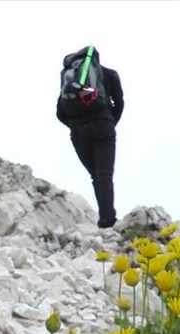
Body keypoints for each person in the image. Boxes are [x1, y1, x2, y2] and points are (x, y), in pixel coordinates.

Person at [56, 47, 124, 229]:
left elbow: (60, 112)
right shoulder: (109, 74)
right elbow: (120, 103)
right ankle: (107, 220)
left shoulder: (67, 78)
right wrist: (109, 121)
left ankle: (106, 218)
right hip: (103, 126)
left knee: (96, 175)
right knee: (104, 174)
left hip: (78, 131)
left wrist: (75, 125)